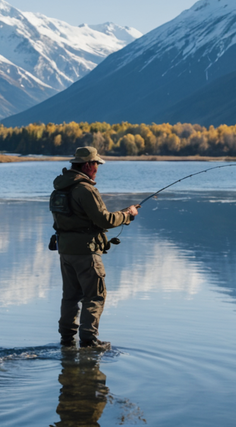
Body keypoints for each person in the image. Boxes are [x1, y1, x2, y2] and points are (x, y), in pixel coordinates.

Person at [50, 146, 139, 350]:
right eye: (96, 164)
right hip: (86, 252)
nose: (97, 168)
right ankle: (89, 340)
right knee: (95, 295)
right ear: (88, 165)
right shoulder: (85, 189)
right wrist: (128, 215)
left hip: (66, 251)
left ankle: (66, 339)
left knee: (71, 296)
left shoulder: (60, 188)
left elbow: (75, 219)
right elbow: (104, 220)